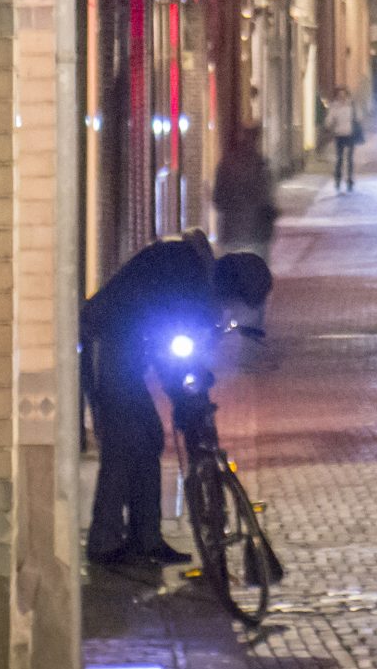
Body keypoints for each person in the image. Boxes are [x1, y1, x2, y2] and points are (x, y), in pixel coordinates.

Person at [82, 230, 271, 565]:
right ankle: (104, 542)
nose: (230, 311)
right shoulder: (185, 276)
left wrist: (190, 390)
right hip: (106, 340)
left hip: (128, 352)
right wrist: (187, 399)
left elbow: (174, 352)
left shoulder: (197, 280)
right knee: (124, 440)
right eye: (234, 303)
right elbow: (171, 354)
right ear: (229, 288)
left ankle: (146, 540)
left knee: (148, 437)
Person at [211, 127, 278, 263]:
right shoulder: (260, 165)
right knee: (256, 275)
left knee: (230, 274)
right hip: (256, 233)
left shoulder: (225, 165)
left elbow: (217, 199)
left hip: (230, 233)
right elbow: (266, 199)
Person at [326, 87, 361, 191]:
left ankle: (349, 180)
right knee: (339, 159)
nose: (341, 97)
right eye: (339, 95)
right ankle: (338, 179)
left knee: (349, 159)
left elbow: (359, 117)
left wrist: (356, 117)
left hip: (350, 134)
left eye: (343, 95)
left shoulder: (352, 106)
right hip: (339, 135)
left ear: (347, 95)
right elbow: (328, 121)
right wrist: (329, 123)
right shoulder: (334, 107)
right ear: (337, 96)